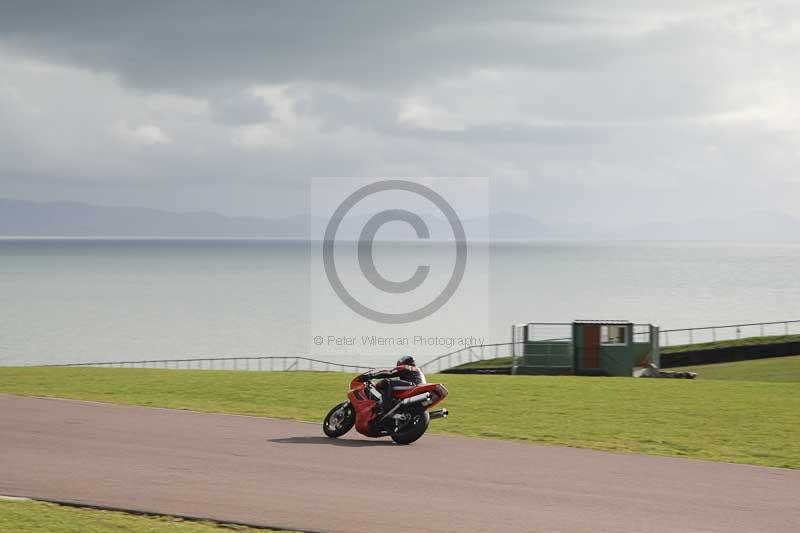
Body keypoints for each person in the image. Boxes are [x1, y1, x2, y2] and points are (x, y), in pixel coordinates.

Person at [358, 355, 426, 418]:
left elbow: (389, 372)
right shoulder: (418, 370)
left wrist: (370, 375)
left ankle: (385, 408)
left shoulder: (406, 367)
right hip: (419, 388)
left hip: (413, 386)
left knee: (386, 383)